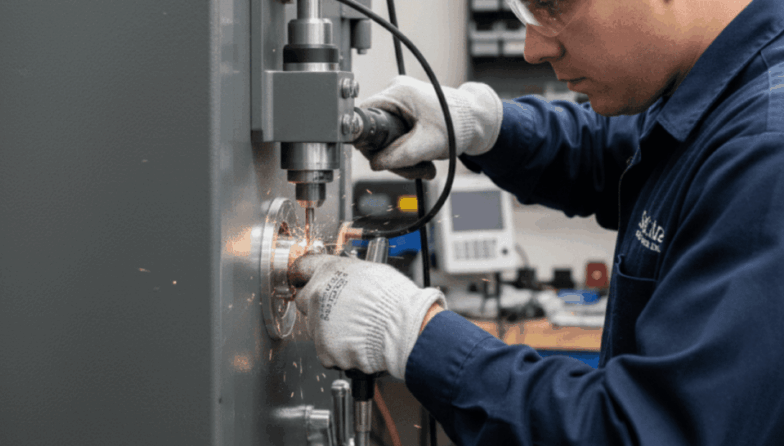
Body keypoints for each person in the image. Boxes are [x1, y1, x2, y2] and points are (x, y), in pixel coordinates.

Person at [291, 0, 784, 443]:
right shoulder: (721, 89)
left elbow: (642, 433)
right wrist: (484, 126)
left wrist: (414, 334)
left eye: (551, 5)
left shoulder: (765, 153)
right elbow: (615, 152)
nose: (532, 48)